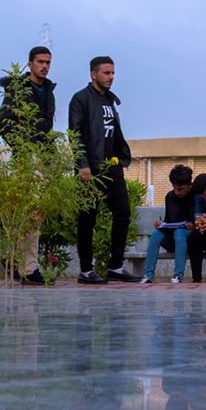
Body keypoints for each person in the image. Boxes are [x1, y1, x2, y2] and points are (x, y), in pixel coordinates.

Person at [68, 55, 135, 284]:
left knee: (123, 212)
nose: (111, 77)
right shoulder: (80, 99)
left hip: (111, 166)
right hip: (91, 167)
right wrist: (83, 164)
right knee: (88, 217)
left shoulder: (109, 100)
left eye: (113, 73)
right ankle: (86, 270)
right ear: (93, 74)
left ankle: (115, 266)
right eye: (106, 73)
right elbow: (75, 134)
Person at [0, 45, 58, 285]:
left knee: (35, 214)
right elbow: (3, 122)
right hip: (26, 158)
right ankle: (26, 266)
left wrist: (52, 157)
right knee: (29, 213)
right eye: (40, 62)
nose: (44, 66)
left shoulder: (48, 91)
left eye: (48, 62)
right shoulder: (18, 88)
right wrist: (23, 148)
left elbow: (47, 129)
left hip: (43, 158)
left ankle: (16, 262)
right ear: (30, 63)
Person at [139, 164, 197, 285]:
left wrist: (194, 225)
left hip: (189, 241)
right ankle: (148, 276)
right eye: (174, 188)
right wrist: (161, 224)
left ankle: (178, 276)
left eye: (180, 189)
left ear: (189, 185)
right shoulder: (170, 196)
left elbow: (199, 220)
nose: (177, 192)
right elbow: (169, 220)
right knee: (155, 235)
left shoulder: (196, 196)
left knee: (179, 233)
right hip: (172, 239)